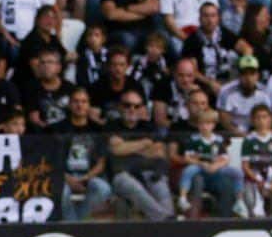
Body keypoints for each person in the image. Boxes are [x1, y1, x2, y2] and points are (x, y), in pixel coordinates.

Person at [108, 91, 174, 220]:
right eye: (127, 105)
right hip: (121, 174)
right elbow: (115, 150)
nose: (132, 109)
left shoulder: (149, 126)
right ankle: (167, 221)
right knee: (135, 188)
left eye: (137, 106)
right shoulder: (111, 126)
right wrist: (144, 143)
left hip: (149, 171)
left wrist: (126, 147)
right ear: (120, 107)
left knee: (161, 188)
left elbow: (159, 152)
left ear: (142, 108)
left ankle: (164, 223)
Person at [49, 88, 111, 221]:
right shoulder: (57, 129)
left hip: (89, 176)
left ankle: (78, 223)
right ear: (70, 104)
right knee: (62, 192)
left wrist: (85, 178)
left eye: (84, 102)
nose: (80, 105)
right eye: (76, 101)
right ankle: (73, 226)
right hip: (63, 176)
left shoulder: (98, 129)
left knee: (103, 189)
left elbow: (101, 162)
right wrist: (68, 179)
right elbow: (51, 160)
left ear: (89, 105)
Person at [173, 108, 240, 217]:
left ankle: (227, 216)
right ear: (198, 125)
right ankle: (190, 212)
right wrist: (201, 163)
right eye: (202, 124)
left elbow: (225, 158)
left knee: (227, 182)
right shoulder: (193, 140)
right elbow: (188, 158)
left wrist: (216, 166)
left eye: (208, 123)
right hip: (198, 171)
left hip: (215, 171)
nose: (205, 127)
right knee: (194, 177)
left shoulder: (219, 140)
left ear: (213, 125)